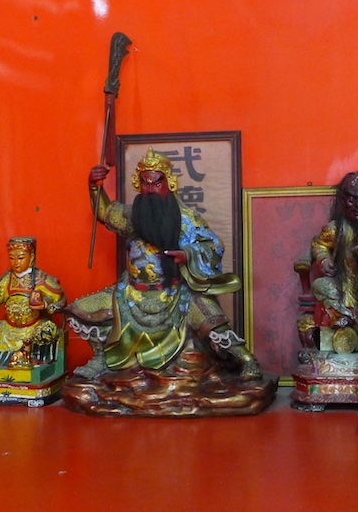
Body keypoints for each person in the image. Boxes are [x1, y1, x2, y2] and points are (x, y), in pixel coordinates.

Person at [67, 147, 261, 380]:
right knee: (80, 310)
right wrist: (93, 186)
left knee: (212, 322)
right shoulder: (132, 216)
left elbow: (213, 246)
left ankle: (247, 360)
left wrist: (187, 254)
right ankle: (102, 358)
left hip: (176, 294)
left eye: (157, 183)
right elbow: (105, 211)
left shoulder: (186, 219)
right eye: (145, 183)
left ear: (169, 182)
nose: (150, 189)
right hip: (130, 295)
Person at [306, 171, 358, 353]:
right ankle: (342, 317)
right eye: (352, 200)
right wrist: (324, 260)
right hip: (343, 286)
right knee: (320, 285)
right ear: (343, 201)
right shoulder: (335, 229)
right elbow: (319, 245)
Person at [0, 237, 66, 369]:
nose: (16, 263)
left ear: (31, 258)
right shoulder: (7, 279)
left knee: (46, 331)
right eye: (12, 258)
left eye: (21, 258)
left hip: (34, 325)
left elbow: (60, 297)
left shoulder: (41, 278)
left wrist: (46, 303)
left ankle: (35, 360)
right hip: (8, 327)